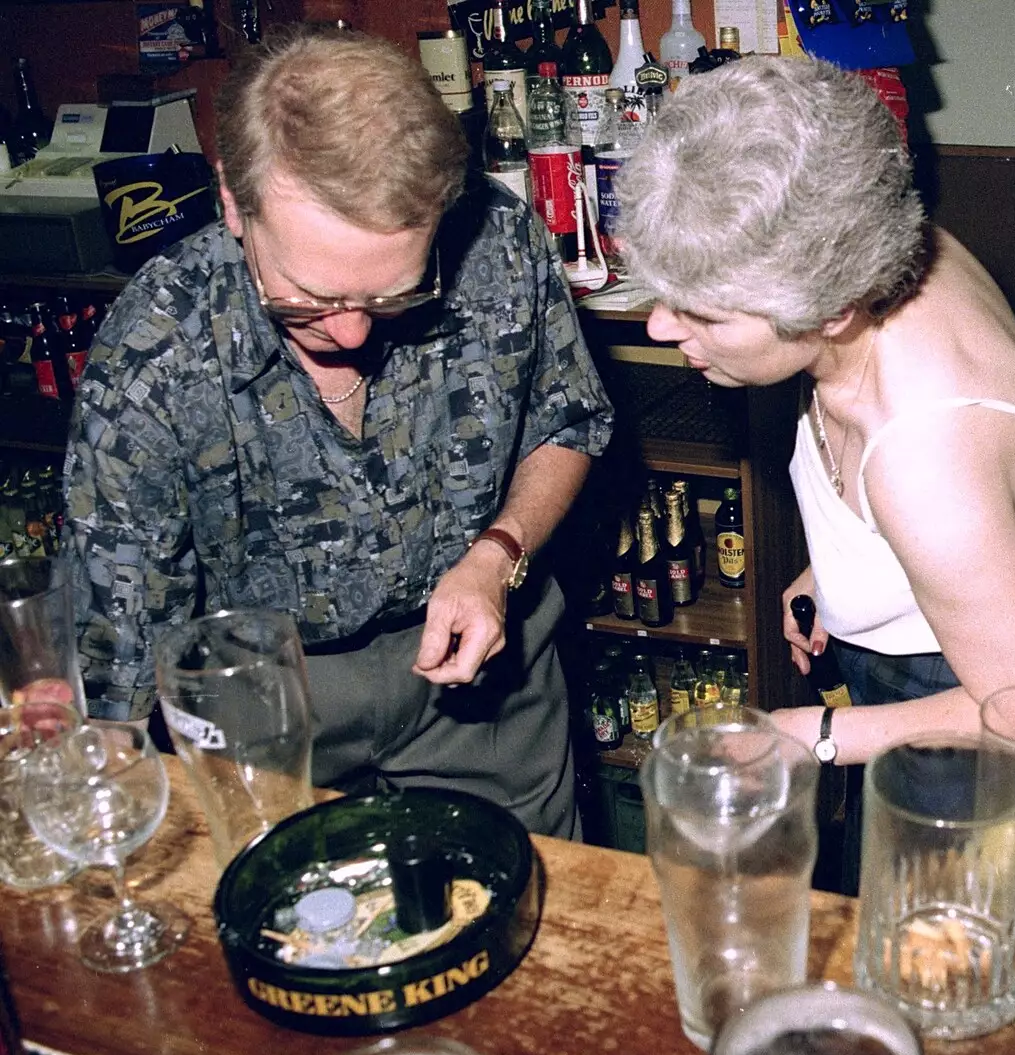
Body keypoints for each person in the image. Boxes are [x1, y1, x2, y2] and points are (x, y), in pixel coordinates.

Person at [62, 26, 613, 836]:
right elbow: (119, 648)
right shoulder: (155, 351)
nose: (353, 335)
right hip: (264, 700)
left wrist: (497, 555)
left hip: (485, 671)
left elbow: (566, 419)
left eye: (393, 295)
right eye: (308, 298)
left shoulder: (499, 241)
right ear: (232, 203)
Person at [615, 55, 1015, 768]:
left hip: (972, 727)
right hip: (946, 649)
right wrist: (843, 574)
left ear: (830, 310)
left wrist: (806, 735)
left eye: (702, 313)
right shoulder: (887, 248)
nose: (661, 329)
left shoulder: (925, 462)